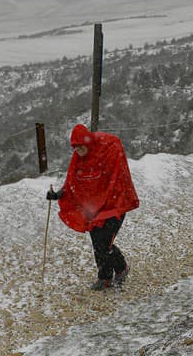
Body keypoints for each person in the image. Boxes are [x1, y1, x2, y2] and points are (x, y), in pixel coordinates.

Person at [46, 123, 139, 290]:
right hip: (94, 209)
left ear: (88, 144)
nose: (78, 152)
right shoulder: (79, 158)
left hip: (113, 206)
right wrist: (58, 194)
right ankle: (105, 278)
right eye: (75, 149)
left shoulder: (108, 150)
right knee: (98, 244)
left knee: (105, 244)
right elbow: (73, 183)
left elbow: (115, 177)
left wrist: (108, 198)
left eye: (81, 148)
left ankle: (121, 268)